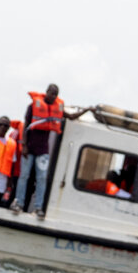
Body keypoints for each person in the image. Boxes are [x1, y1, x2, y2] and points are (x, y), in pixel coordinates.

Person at [10, 84, 91, 218]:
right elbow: (26, 126)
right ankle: (18, 202)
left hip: (43, 150)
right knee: (24, 176)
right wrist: (24, 145)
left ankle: (38, 207)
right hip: (29, 147)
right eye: (51, 93)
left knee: (41, 178)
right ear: (46, 92)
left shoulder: (57, 109)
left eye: (55, 94)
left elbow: (71, 116)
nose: (53, 96)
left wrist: (86, 110)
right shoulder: (33, 106)